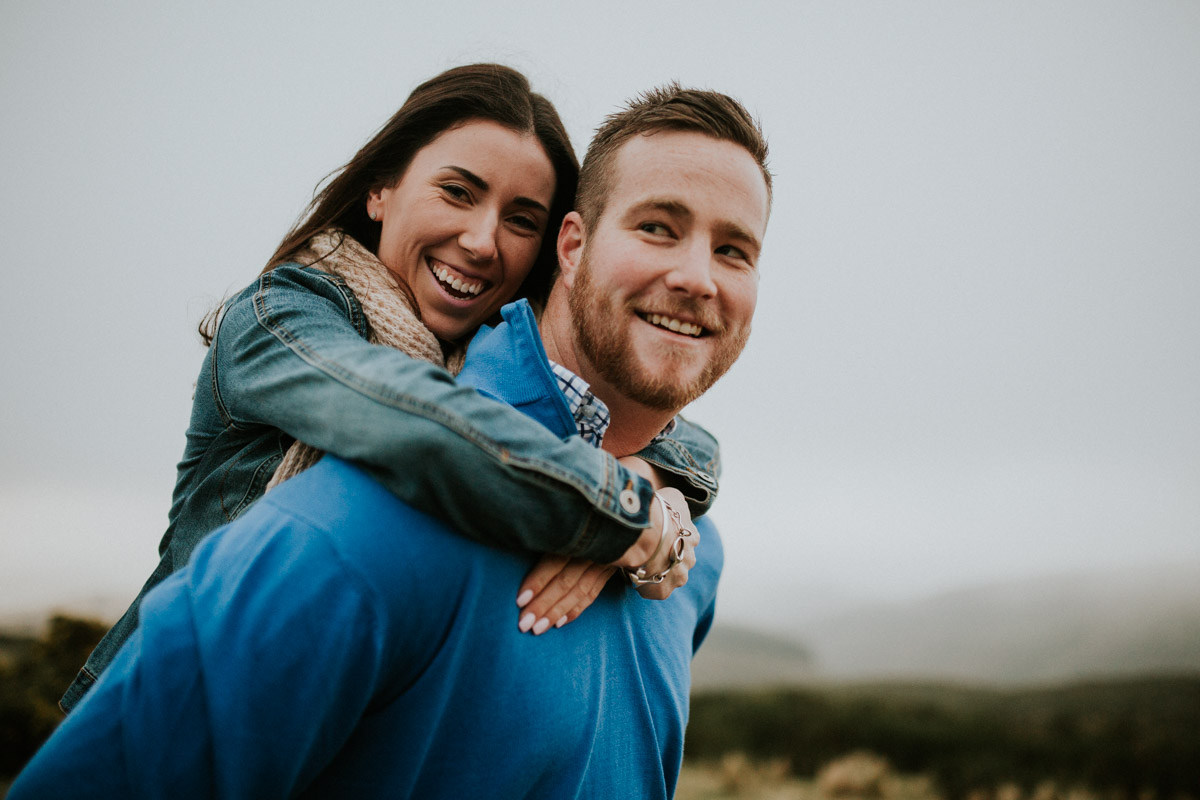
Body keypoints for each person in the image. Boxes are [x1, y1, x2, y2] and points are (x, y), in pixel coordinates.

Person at [13, 83, 771, 798]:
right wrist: (614, 505)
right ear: (574, 251)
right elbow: (412, 418)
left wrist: (654, 491)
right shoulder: (330, 445)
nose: (481, 240)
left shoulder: (686, 558)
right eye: (657, 228)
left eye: (734, 250)